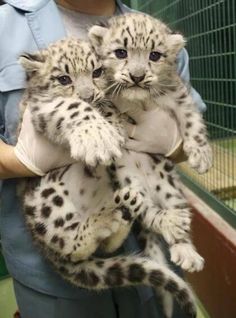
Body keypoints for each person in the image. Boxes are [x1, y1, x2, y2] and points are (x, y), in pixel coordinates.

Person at [0, 1, 206, 317]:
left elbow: (188, 142)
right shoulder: (4, 25)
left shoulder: (156, 33)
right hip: (54, 277)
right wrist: (19, 161)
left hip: (150, 248)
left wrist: (173, 140)